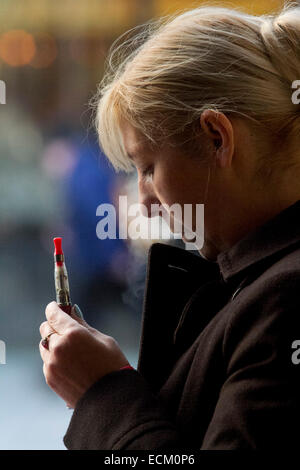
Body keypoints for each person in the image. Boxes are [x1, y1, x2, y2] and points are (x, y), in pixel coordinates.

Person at [39, 4, 300, 449]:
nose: (143, 199)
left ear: (217, 138)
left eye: (148, 166)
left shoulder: (284, 302)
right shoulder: (251, 286)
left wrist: (102, 392)